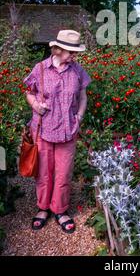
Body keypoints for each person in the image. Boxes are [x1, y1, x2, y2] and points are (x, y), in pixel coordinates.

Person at [23, 29, 92, 234]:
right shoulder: (40, 68)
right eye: (71, 51)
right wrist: (35, 105)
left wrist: (79, 117)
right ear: (58, 49)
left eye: (75, 51)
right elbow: (29, 92)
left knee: (63, 174)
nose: (74, 55)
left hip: (68, 131)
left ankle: (60, 210)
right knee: (44, 174)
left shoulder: (77, 70)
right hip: (43, 130)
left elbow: (83, 97)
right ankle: (43, 208)